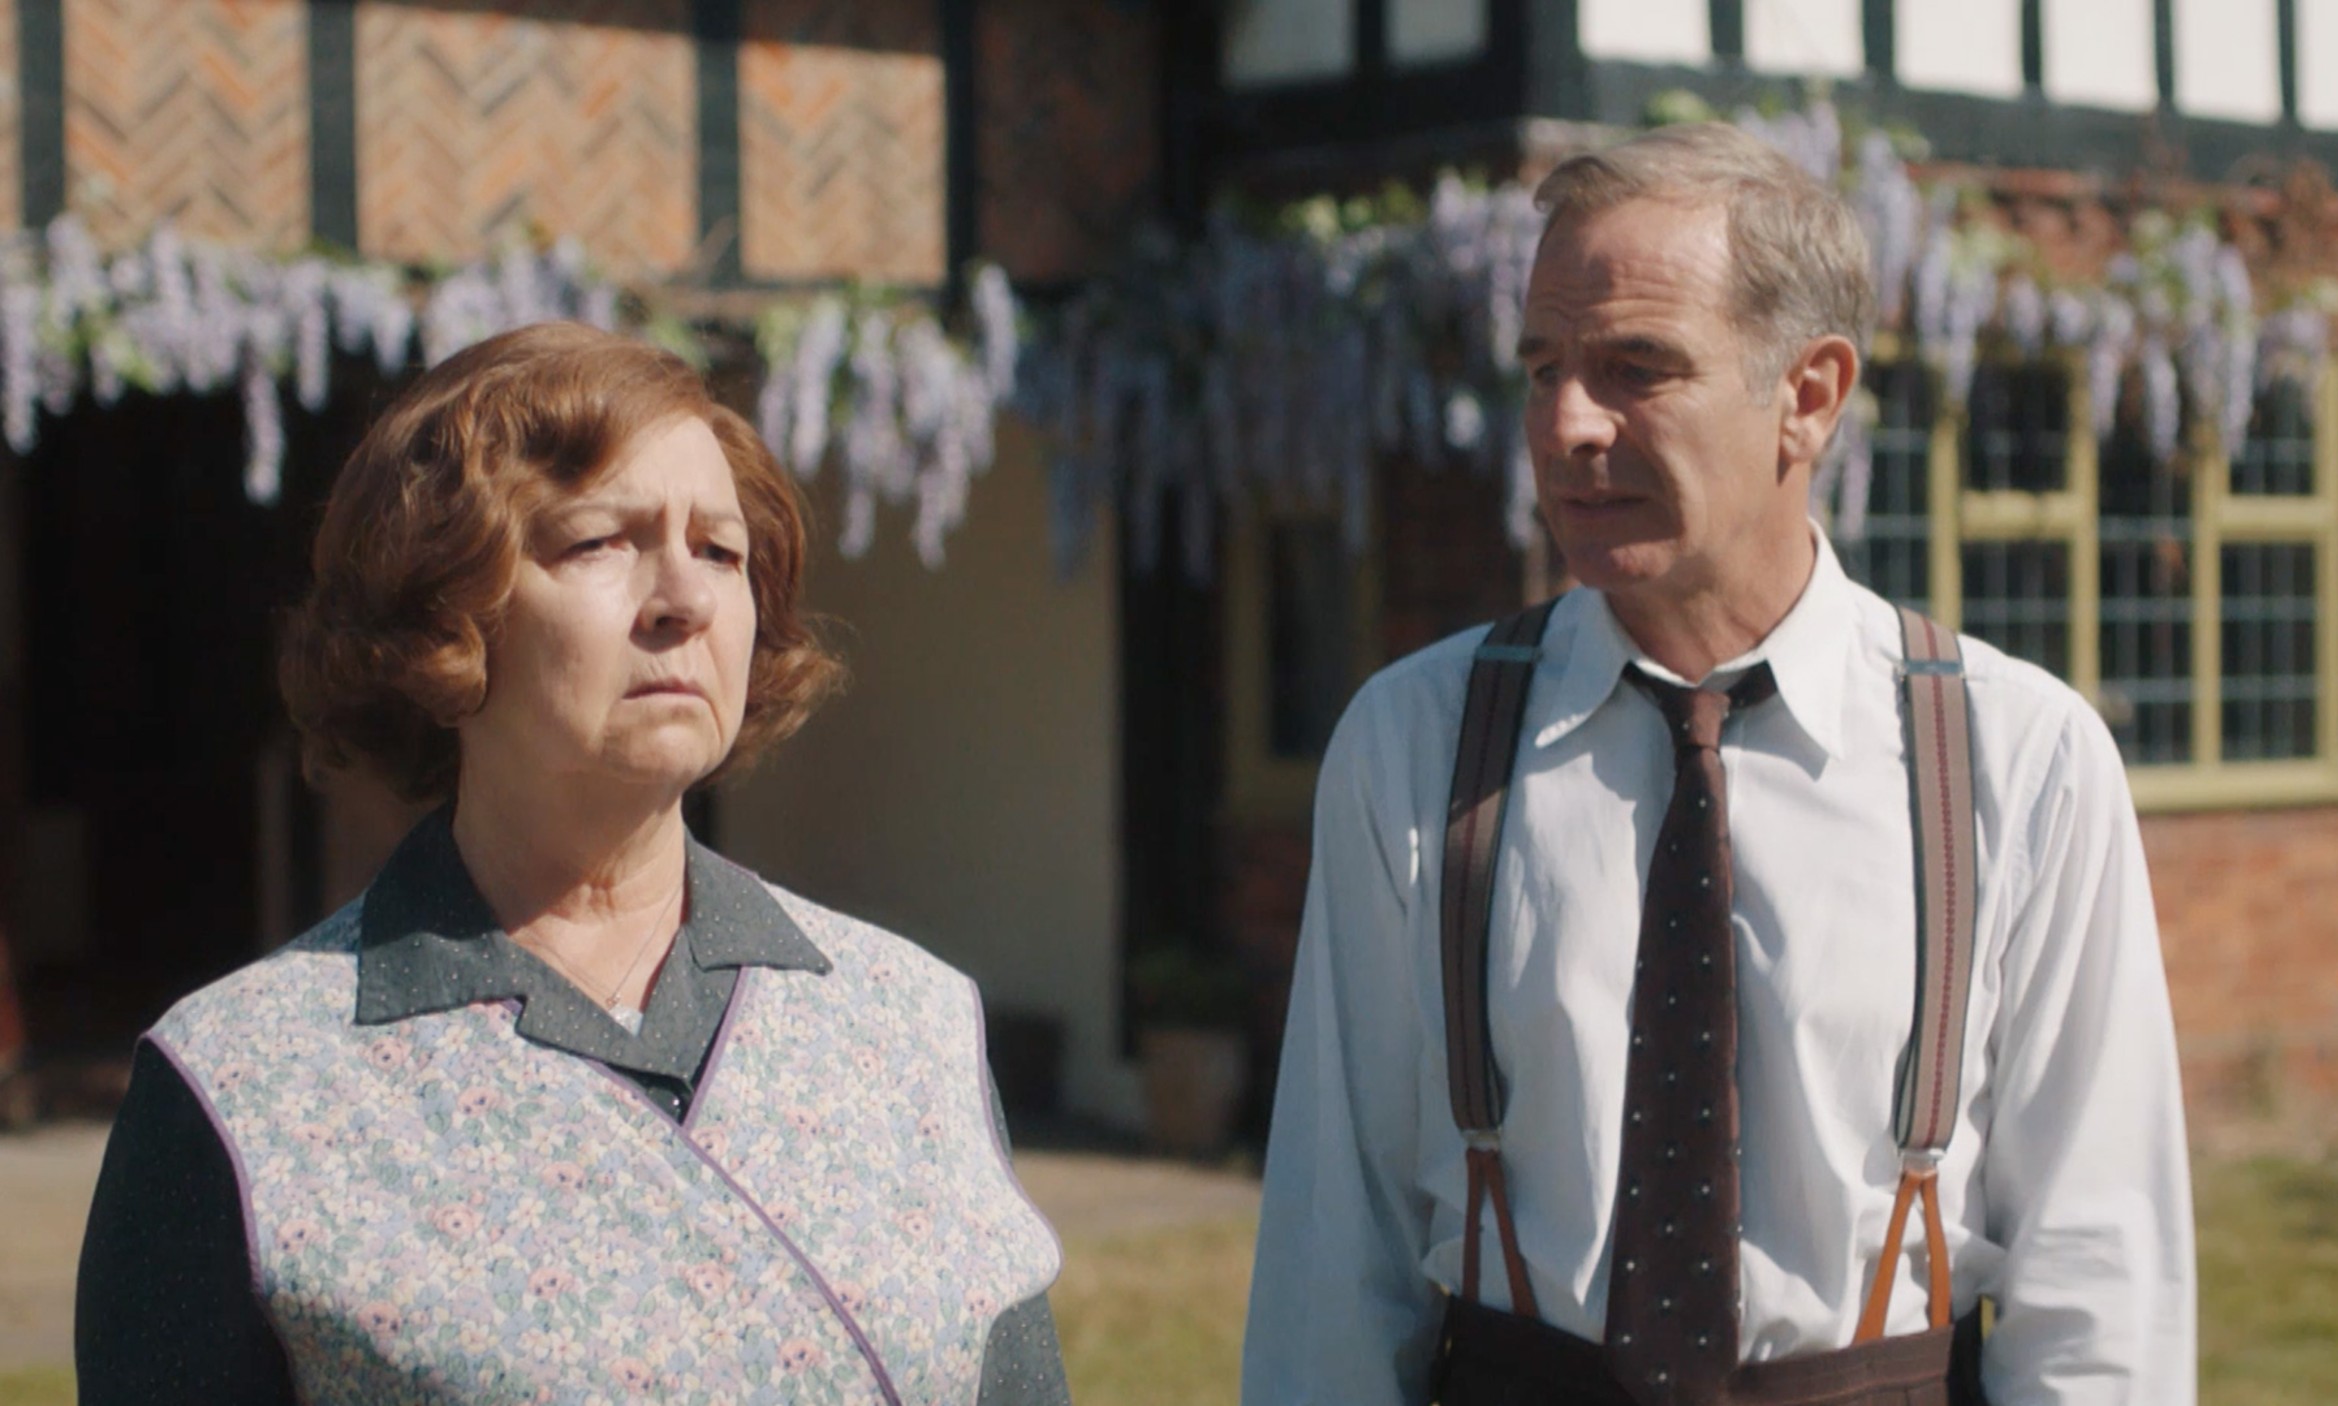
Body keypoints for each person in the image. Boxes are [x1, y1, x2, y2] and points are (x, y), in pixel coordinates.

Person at [1241, 123, 2194, 1405]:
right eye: (1541, 368)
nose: (1567, 423)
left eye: (1635, 366)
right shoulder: (1412, 740)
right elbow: (1330, 1251)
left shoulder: (2019, 757)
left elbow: (2099, 1269)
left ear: (1807, 394)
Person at [76, 322, 1071, 1405]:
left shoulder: (911, 1025)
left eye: (722, 552)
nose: (682, 599)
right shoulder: (243, 1087)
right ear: (443, 604)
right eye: (600, 540)